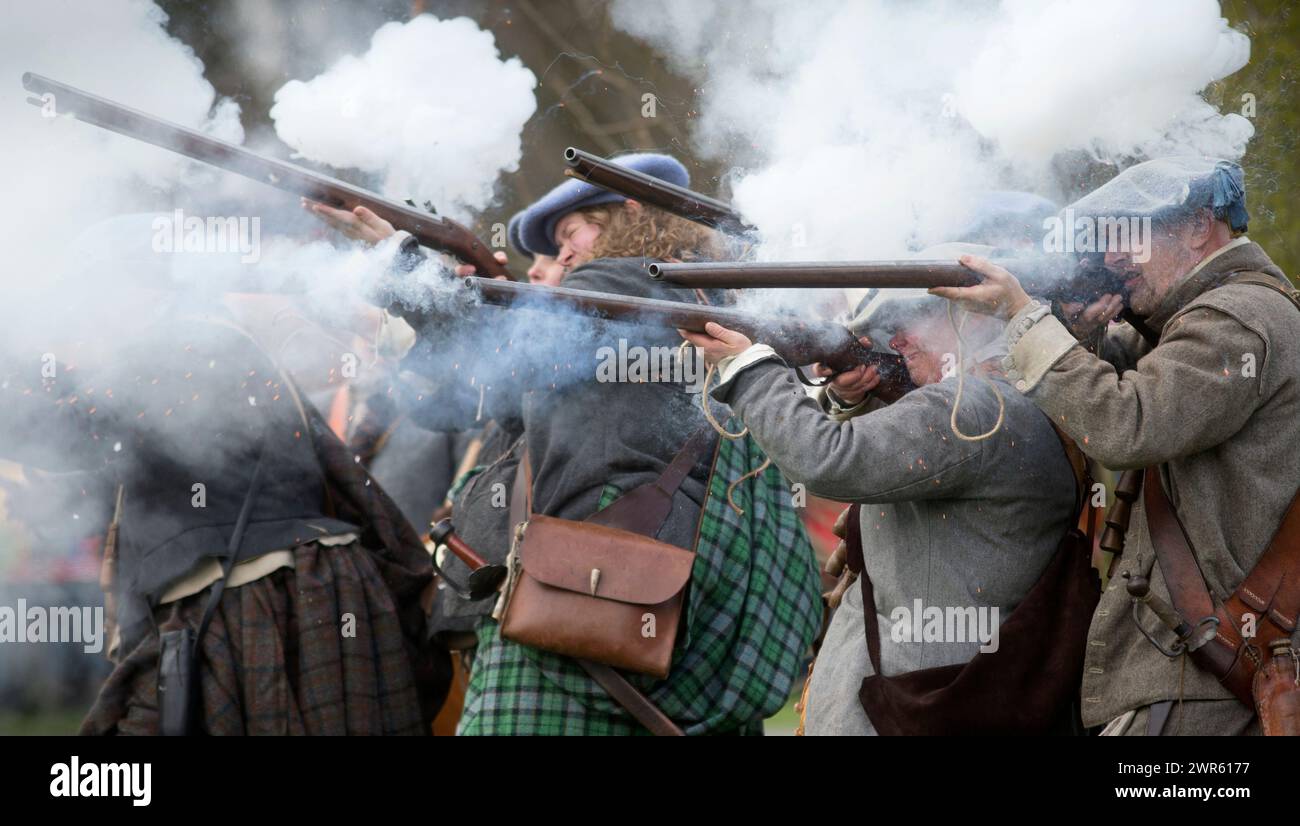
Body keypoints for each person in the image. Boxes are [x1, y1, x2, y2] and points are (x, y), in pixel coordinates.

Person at [0, 213, 448, 735]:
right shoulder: (188, 347)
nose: (82, 315)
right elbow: (118, 470)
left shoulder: (187, 346)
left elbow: (62, 430)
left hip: (268, 602)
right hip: (257, 600)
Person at [931, 157, 1300, 735]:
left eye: (1130, 234)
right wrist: (1075, 327)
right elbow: (1123, 388)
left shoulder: (1236, 318)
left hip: (1204, 688)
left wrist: (1020, 314)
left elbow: (1128, 423)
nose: (1112, 256)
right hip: (1199, 677)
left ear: (1199, 225)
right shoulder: (1206, 318)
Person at [681, 263, 1080, 734]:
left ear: (974, 318)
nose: (899, 340)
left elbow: (827, 460)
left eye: (915, 318)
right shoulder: (1004, 399)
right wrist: (855, 400)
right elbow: (908, 456)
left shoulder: (975, 407)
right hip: (937, 691)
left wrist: (749, 371)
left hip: (915, 703)